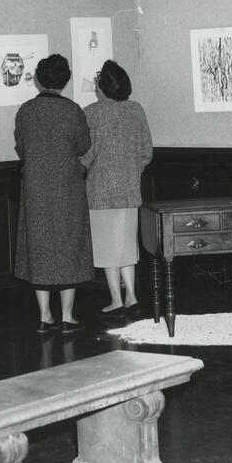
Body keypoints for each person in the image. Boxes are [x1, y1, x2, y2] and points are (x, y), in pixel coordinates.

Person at [13, 54, 93, 334]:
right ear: (65, 80)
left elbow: (22, 149)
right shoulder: (73, 111)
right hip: (68, 188)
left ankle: (45, 316)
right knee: (70, 247)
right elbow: (83, 145)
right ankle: (68, 316)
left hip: (35, 189)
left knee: (40, 249)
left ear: (38, 79)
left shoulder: (26, 111)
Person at [81, 60, 154, 317]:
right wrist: (133, 171)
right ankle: (131, 295)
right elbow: (147, 152)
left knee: (106, 247)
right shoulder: (136, 110)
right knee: (126, 245)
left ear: (102, 87)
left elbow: (86, 154)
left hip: (100, 190)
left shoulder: (92, 112)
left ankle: (115, 298)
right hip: (130, 187)